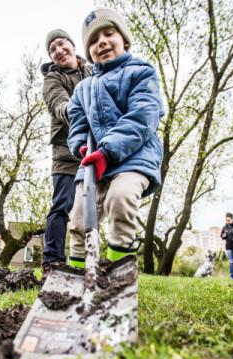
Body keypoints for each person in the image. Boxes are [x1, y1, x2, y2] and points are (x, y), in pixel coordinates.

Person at [66, 8, 164, 267]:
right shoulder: (82, 89)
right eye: (94, 41)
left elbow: (143, 117)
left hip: (134, 157)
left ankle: (116, 269)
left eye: (109, 34)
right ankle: (77, 276)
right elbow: (77, 123)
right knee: (78, 219)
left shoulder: (141, 73)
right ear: (88, 53)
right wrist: (80, 148)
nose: (102, 42)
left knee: (119, 200)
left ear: (125, 39)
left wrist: (107, 152)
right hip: (93, 163)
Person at [41, 29, 93, 269]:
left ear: (73, 45)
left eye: (61, 44)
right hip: (66, 151)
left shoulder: (92, 70)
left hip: (94, 149)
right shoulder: (53, 78)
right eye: (52, 49)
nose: (58, 51)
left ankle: (90, 258)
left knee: (96, 204)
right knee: (62, 204)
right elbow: (59, 105)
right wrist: (83, 113)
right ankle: (52, 260)